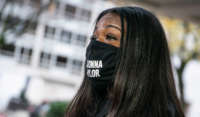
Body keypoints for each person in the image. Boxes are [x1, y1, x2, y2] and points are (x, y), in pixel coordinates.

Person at [65, 6, 185, 117]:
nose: (95, 45)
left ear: (140, 50)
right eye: (94, 37)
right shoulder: (91, 106)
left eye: (110, 37)